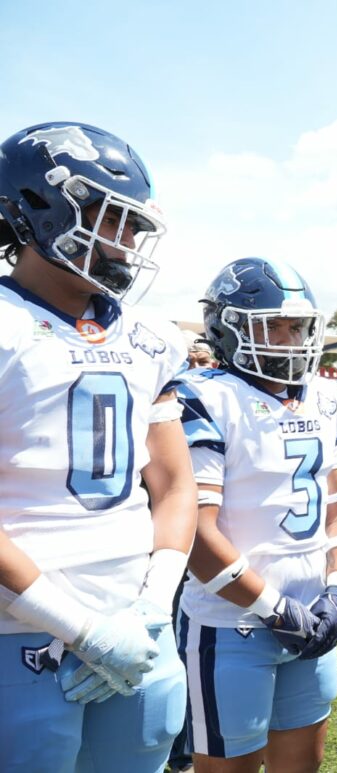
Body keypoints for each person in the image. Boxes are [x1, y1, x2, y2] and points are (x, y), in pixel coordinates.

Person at [0, 122, 196, 771]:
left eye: (137, 226)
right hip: (18, 633)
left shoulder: (153, 337)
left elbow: (173, 484)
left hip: (137, 628)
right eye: (113, 219)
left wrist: (152, 601)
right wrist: (79, 626)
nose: (129, 242)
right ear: (40, 206)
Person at [172, 257, 337, 772]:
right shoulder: (204, 397)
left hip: (312, 620)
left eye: (298, 326)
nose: (290, 339)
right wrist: (276, 608)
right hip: (232, 626)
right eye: (272, 326)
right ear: (227, 328)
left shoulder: (325, 397)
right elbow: (197, 533)